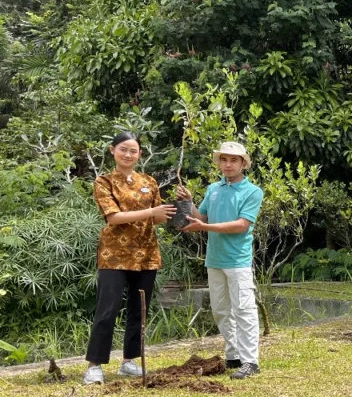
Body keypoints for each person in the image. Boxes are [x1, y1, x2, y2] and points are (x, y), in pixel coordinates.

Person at [83, 133, 178, 384]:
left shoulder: (149, 181)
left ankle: (129, 361)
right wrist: (150, 211)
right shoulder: (103, 181)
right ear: (113, 150)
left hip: (146, 254)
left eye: (133, 151)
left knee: (139, 310)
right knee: (108, 309)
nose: (128, 155)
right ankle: (95, 364)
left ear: (140, 155)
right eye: (123, 149)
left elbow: (158, 218)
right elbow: (113, 217)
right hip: (114, 255)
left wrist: (178, 206)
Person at [176, 141, 265, 380]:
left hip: (238, 261)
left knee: (244, 309)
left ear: (243, 163)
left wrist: (204, 227)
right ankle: (233, 353)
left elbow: (241, 225)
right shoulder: (213, 189)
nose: (227, 164)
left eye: (233, 160)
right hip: (214, 259)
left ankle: (250, 361)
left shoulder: (252, 192)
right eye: (224, 159)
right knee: (220, 310)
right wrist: (190, 202)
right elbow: (201, 215)